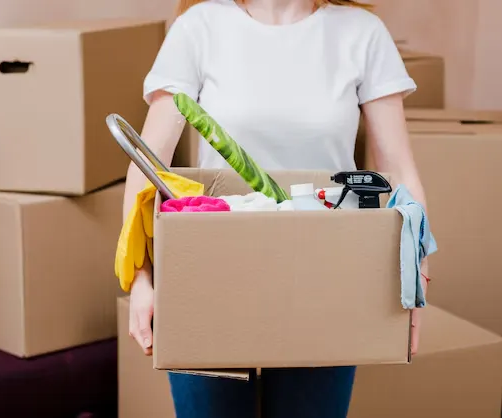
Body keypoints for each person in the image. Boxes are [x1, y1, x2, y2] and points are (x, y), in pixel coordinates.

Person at [122, 0, 430, 416]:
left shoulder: (362, 32)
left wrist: (417, 279)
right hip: (211, 273)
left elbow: (399, 171)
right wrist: (140, 278)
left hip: (326, 276)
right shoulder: (198, 27)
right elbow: (146, 164)